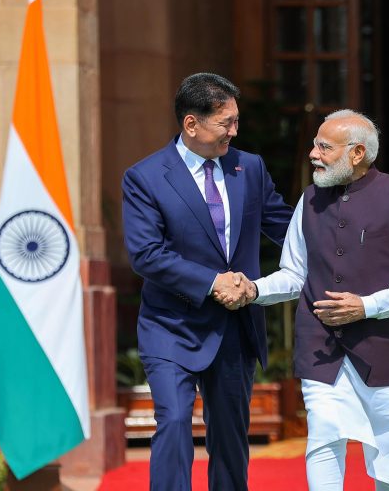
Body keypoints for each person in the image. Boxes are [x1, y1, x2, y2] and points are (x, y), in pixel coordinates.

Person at [217, 109, 389, 490]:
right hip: (321, 351)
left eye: (324, 147)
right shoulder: (309, 200)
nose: (313, 154)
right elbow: (294, 274)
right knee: (323, 442)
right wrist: (254, 291)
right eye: (314, 144)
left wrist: (368, 306)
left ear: (357, 153)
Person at [122, 72, 293, 491]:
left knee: (231, 437)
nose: (234, 131)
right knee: (174, 420)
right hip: (172, 325)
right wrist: (213, 281)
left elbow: (285, 226)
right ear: (191, 124)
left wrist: (342, 240)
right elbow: (147, 254)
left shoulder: (248, 167)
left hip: (234, 326)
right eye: (226, 122)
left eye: (237, 121)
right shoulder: (145, 177)